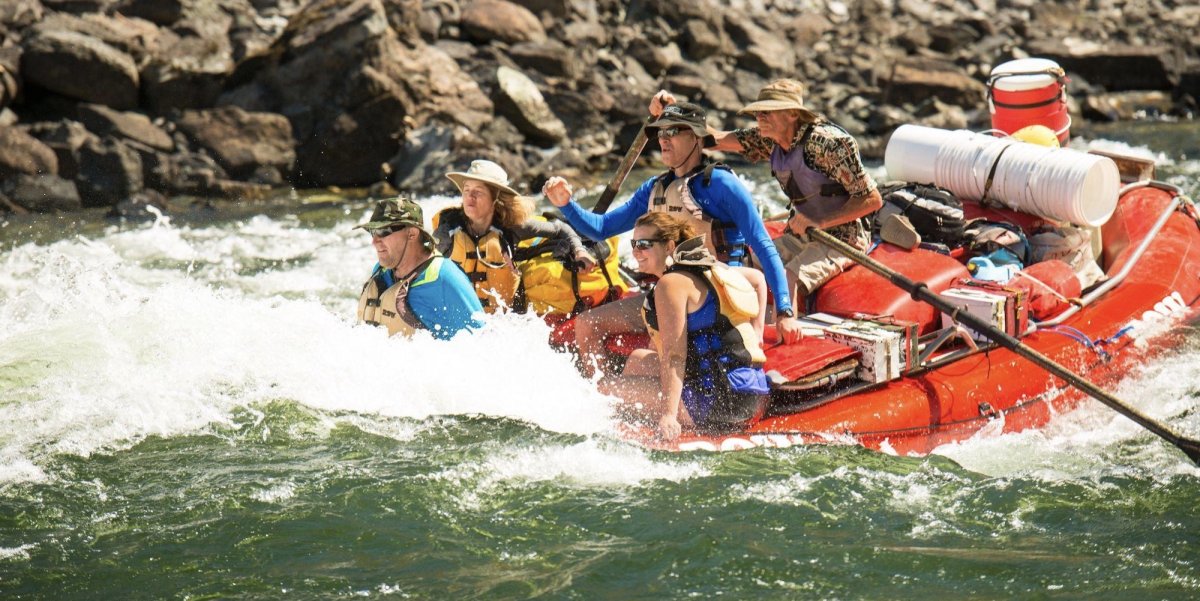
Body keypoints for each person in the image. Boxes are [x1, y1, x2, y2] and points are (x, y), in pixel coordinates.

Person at [542, 102, 802, 375]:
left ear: (698, 138)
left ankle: (662, 399)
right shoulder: (655, 188)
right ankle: (602, 399)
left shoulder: (721, 185)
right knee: (587, 324)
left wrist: (785, 311)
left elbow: (763, 245)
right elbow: (601, 228)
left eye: (674, 131)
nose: (664, 139)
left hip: (719, 299)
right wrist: (566, 204)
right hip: (669, 294)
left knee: (651, 355)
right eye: (660, 132)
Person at [651, 79, 883, 307]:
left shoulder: (831, 145)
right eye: (758, 112)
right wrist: (674, 111)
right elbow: (714, 140)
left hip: (842, 239)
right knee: (745, 268)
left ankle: (786, 330)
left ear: (792, 114)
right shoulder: (770, 141)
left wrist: (820, 222)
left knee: (788, 278)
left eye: (767, 113)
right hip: (800, 235)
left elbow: (872, 199)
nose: (759, 118)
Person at [602, 213, 770, 441]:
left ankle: (636, 433)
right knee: (639, 358)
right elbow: (757, 278)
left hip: (721, 404)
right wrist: (758, 328)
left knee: (605, 389)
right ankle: (636, 419)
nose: (635, 251)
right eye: (633, 244)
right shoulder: (704, 267)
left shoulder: (671, 284)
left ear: (669, 246)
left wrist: (668, 415)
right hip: (749, 392)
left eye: (644, 244)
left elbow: (675, 355)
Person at [435, 159, 596, 313]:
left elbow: (561, 229)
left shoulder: (512, 228)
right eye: (467, 190)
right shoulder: (447, 231)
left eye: (478, 192)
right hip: (459, 322)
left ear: (495, 199)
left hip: (506, 322)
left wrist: (579, 251)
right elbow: (423, 266)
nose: (469, 197)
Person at [355, 196, 484, 339]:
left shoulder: (445, 278)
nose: (374, 241)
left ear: (412, 234)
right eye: (373, 232)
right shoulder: (381, 271)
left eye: (384, 232)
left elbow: (480, 343)